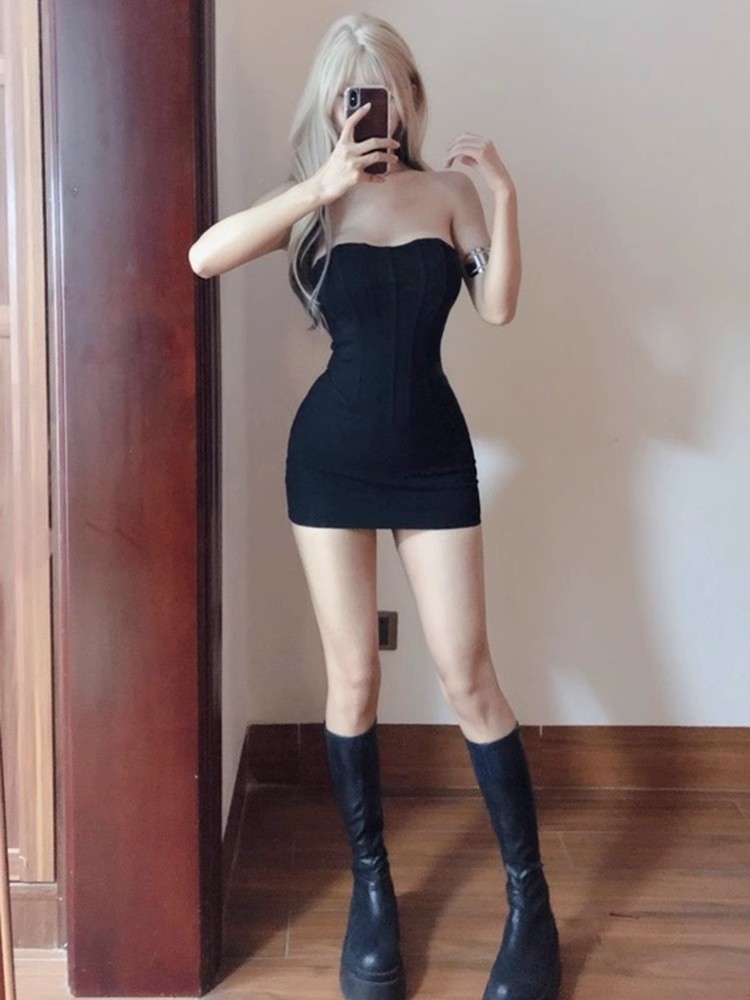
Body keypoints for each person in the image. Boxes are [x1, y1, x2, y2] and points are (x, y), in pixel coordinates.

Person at [189, 12, 561, 1000]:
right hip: (330, 463)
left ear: (408, 96)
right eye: (352, 92)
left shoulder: (448, 194)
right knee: (353, 680)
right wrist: (319, 188)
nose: (371, 109)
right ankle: (372, 889)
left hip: (433, 458)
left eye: (386, 89)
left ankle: (531, 903)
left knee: (469, 676)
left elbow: (497, 306)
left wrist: (504, 197)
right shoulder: (315, 200)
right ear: (330, 103)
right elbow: (203, 257)